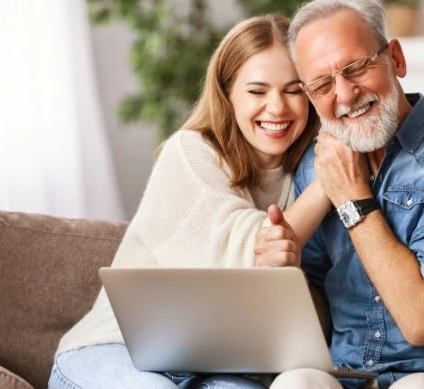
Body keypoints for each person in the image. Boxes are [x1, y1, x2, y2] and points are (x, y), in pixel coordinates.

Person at [48, 14, 332, 389]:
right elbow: (254, 247)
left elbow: (305, 317)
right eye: (257, 91)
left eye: (294, 90)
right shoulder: (190, 153)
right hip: (114, 351)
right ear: (227, 94)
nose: (277, 108)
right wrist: (334, 180)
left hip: (220, 368)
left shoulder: (304, 173)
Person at [256, 1, 424, 388]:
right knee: (296, 381)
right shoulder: (315, 167)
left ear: (395, 58)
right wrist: (284, 277)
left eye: (357, 67)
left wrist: (352, 198)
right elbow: (316, 314)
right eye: (323, 84)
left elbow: (421, 321)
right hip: (350, 377)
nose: (345, 95)